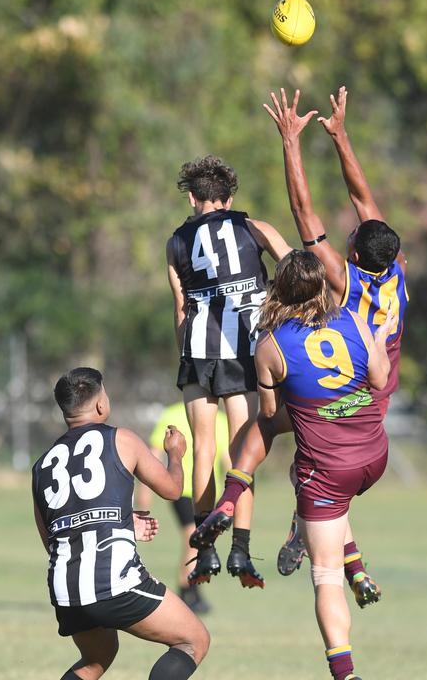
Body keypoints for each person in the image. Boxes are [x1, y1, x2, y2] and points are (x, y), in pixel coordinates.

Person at [192, 88, 406, 604]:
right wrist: (340, 137)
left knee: (266, 426)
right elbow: (364, 202)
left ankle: (231, 499)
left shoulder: (342, 278)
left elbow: (303, 208)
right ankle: (330, 547)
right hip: (373, 395)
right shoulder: (395, 268)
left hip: (338, 394)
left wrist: (292, 141)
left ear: (353, 249)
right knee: (315, 471)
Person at [254, 251, 394, 680]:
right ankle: (357, 568)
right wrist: (382, 336)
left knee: (322, 572)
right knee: (310, 479)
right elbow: (379, 378)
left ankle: (345, 674)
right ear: (321, 287)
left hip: (330, 470)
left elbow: (270, 412)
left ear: (278, 290)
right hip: (374, 454)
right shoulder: (353, 319)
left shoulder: (271, 345)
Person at [33, 367, 210, 680]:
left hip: (65, 588)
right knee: (192, 640)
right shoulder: (122, 439)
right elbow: (171, 489)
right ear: (101, 405)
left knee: (94, 660)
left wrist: (124, 526)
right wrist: (176, 455)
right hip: (113, 581)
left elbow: (53, 537)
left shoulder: (42, 464)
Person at [166, 155, 291, 587]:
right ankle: (240, 549)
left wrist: (187, 354)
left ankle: (204, 555)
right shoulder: (254, 227)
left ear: (193, 197)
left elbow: (182, 311)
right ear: (230, 197)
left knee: (203, 447)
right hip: (245, 349)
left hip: (199, 350)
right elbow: (297, 270)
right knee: (242, 452)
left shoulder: (176, 242)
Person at [134, 403, 231, 614]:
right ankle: (187, 591)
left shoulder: (222, 420)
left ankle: (192, 590)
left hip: (207, 490)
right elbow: (155, 452)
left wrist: (232, 495)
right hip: (181, 489)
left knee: (202, 540)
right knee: (192, 536)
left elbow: (227, 460)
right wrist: (145, 490)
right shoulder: (172, 414)